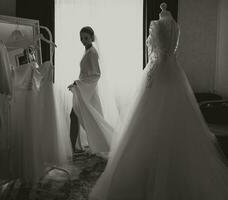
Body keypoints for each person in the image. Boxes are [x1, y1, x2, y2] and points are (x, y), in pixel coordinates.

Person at [89, 3, 228, 200]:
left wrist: (149, 77)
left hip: (158, 73)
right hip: (174, 74)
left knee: (150, 123)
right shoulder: (175, 27)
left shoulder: (156, 25)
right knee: (171, 123)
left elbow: (152, 52)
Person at [68, 26, 114, 155]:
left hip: (87, 90)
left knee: (77, 115)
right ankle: (76, 147)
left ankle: (74, 148)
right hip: (83, 88)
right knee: (78, 116)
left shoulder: (92, 53)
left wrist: (78, 83)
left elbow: (96, 75)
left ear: (92, 38)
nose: (83, 40)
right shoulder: (87, 51)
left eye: (86, 38)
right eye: (81, 38)